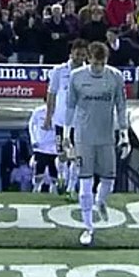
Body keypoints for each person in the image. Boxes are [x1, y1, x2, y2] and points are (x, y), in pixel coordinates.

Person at [63, 41, 130, 246]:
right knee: (85, 183)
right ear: (88, 59)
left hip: (106, 136)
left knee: (109, 179)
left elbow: (121, 105)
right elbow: (70, 107)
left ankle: (100, 201)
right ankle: (88, 227)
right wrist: (67, 134)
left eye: (102, 63)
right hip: (84, 137)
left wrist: (124, 133)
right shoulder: (77, 77)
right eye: (95, 62)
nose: (98, 67)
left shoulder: (115, 77)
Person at [46, 39, 88, 196]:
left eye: (83, 55)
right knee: (62, 154)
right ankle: (62, 176)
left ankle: (71, 187)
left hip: (81, 122)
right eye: (78, 54)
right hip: (61, 121)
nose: (80, 57)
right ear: (71, 53)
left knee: (77, 156)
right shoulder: (59, 71)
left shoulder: (89, 72)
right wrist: (48, 117)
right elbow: (51, 94)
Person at [28, 98, 60, 194]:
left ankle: (54, 188)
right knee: (39, 167)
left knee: (54, 168)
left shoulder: (59, 113)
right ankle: (37, 188)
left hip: (53, 146)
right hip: (41, 145)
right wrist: (33, 140)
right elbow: (31, 126)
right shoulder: (38, 112)